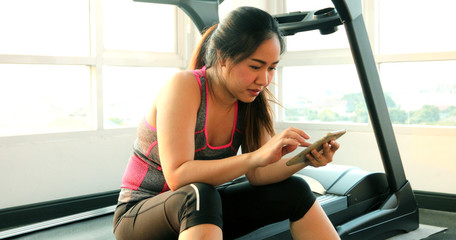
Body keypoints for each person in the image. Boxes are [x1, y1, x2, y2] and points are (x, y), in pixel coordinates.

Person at [113, 6, 341, 240]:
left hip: (202, 211)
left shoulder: (250, 100)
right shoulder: (184, 87)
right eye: (255, 66)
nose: (264, 80)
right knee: (199, 195)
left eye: (271, 68)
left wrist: (305, 160)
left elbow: (259, 175)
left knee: (296, 190)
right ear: (223, 57)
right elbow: (178, 177)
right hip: (140, 215)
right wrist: (256, 156)